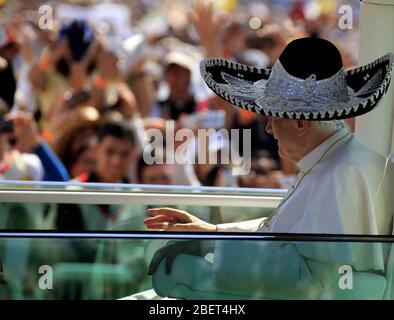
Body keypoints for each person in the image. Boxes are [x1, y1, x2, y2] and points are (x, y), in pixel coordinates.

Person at [138, 37, 394, 299]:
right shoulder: (335, 161)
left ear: (301, 124)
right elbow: (284, 234)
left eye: (273, 115)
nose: (269, 128)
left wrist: (209, 250)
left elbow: (310, 282)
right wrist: (213, 232)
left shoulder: (342, 173)